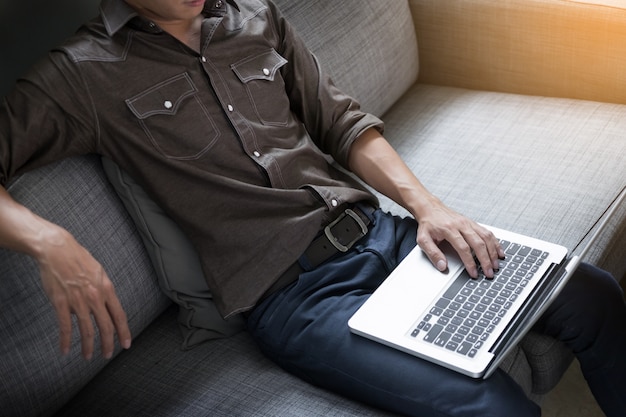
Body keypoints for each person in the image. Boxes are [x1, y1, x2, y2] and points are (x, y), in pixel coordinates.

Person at [1, 0, 625, 415]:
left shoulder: (254, 16)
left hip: (388, 237)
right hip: (299, 301)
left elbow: (340, 121)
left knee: (592, 296)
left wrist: (430, 209)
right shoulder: (82, 73)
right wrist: (47, 239)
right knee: (491, 407)